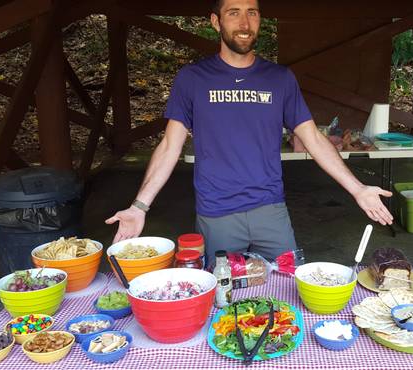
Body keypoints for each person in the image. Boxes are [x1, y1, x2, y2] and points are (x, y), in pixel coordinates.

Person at [106, 0, 393, 263]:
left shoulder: (280, 78)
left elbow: (313, 138)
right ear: (216, 21)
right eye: (234, 13)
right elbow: (170, 146)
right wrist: (139, 207)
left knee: (289, 286)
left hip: (271, 211)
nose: (244, 23)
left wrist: (358, 189)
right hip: (216, 213)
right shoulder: (192, 79)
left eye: (252, 13)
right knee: (223, 299)